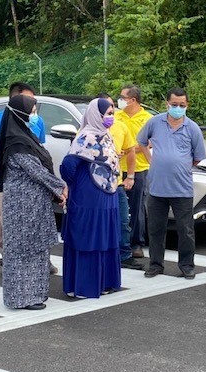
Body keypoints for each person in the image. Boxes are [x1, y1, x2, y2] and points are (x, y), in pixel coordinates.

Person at [0, 94, 67, 310]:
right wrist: (60, 187)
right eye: (32, 111)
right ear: (21, 113)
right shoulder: (17, 143)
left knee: (36, 250)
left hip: (34, 204)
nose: (35, 116)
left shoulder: (26, 137)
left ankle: (35, 294)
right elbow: (37, 172)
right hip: (22, 207)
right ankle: (21, 298)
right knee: (22, 252)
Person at [0, 82, 56, 273]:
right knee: (0, 226)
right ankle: (10, 258)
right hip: (2, 183)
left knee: (34, 224)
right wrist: (0, 167)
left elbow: (40, 150)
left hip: (31, 184)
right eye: (27, 100)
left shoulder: (37, 121)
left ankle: (41, 260)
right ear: (14, 99)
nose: (32, 105)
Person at [137, 87, 206, 279]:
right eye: (174, 104)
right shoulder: (154, 122)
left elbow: (198, 157)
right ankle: (155, 265)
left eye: (182, 105)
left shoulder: (192, 128)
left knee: (186, 230)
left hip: (182, 188)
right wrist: (151, 160)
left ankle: (187, 265)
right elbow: (141, 141)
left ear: (187, 105)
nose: (178, 108)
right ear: (167, 104)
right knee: (156, 229)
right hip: (157, 187)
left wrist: (180, 165)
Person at [61, 98, 122, 298]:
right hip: (88, 197)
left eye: (112, 113)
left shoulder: (106, 136)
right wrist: (77, 184)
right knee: (88, 236)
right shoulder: (85, 137)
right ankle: (85, 286)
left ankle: (104, 282)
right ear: (96, 115)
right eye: (107, 114)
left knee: (105, 236)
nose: (110, 118)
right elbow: (68, 167)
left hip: (107, 195)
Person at [101, 94, 142, 271]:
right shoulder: (87, 129)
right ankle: (102, 254)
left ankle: (124, 254)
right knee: (101, 221)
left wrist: (130, 176)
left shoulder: (120, 126)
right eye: (106, 109)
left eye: (112, 108)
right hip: (96, 185)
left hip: (116, 182)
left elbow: (131, 151)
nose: (111, 112)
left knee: (123, 219)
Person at [116, 85, 153, 259]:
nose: (120, 100)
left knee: (137, 207)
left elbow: (150, 142)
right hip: (118, 168)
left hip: (139, 168)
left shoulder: (147, 119)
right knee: (119, 207)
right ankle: (119, 241)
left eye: (123, 97)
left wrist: (129, 149)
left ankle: (136, 243)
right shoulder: (116, 116)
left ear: (133, 100)